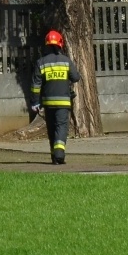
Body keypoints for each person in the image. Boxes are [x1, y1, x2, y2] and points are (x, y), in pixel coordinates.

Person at [29, 29, 80, 165]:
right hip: (63, 103)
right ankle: (59, 153)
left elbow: (35, 85)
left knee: (51, 128)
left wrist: (35, 102)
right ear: (60, 43)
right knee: (61, 127)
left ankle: (54, 156)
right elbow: (76, 78)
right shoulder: (66, 61)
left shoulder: (41, 62)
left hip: (48, 103)